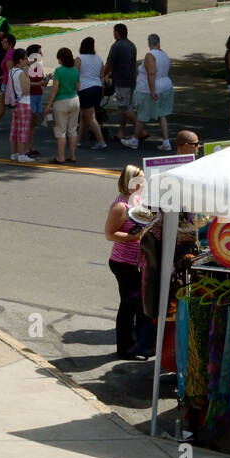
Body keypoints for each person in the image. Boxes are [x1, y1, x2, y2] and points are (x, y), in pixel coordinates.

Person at [105, 166, 154, 359]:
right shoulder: (120, 206)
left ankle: (141, 344)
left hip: (139, 261)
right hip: (123, 262)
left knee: (141, 304)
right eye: (140, 180)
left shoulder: (138, 201)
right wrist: (133, 236)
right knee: (129, 304)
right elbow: (110, 234)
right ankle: (125, 348)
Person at [128, 33, 174, 152]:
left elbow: (151, 73)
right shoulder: (164, 54)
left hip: (149, 89)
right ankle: (166, 141)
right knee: (161, 115)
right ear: (159, 42)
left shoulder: (150, 55)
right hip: (166, 85)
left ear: (149, 43)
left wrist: (152, 90)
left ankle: (134, 140)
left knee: (142, 114)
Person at [44, 47, 81, 164]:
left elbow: (54, 89)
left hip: (61, 102)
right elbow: (78, 87)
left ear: (61, 59)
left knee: (60, 130)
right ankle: (73, 155)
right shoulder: (75, 71)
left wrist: (48, 104)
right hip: (75, 100)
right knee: (73, 130)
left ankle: (61, 157)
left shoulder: (59, 71)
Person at [104, 24, 138, 143]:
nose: (113, 34)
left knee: (125, 107)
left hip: (122, 82)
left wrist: (102, 75)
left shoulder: (116, 46)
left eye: (114, 32)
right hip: (131, 80)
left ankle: (141, 131)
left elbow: (109, 64)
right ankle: (121, 132)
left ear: (117, 33)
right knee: (122, 107)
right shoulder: (131, 45)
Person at [77, 37, 107, 151]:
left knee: (90, 116)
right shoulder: (99, 59)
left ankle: (101, 141)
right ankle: (78, 140)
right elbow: (101, 76)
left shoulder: (79, 58)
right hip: (97, 88)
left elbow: (75, 74)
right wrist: (103, 90)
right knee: (84, 116)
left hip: (85, 89)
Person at [6, 49, 35, 164]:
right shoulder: (21, 73)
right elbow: (27, 90)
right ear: (20, 60)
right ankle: (22, 155)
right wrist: (27, 75)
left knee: (15, 129)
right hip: (24, 103)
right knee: (23, 129)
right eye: (26, 58)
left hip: (15, 103)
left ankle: (14, 153)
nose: (27, 61)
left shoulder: (12, 71)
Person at [26, 43, 45, 156]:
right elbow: (26, 83)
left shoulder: (38, 66)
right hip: (31, 96)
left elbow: (40, 80)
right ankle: (26, 148)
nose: (41, 54)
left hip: (38, 94)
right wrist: (39, 82)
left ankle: (31, 146)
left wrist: (45, 80)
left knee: (34, 123)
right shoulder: (27, 66)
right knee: (29, 123)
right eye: (39, 52)